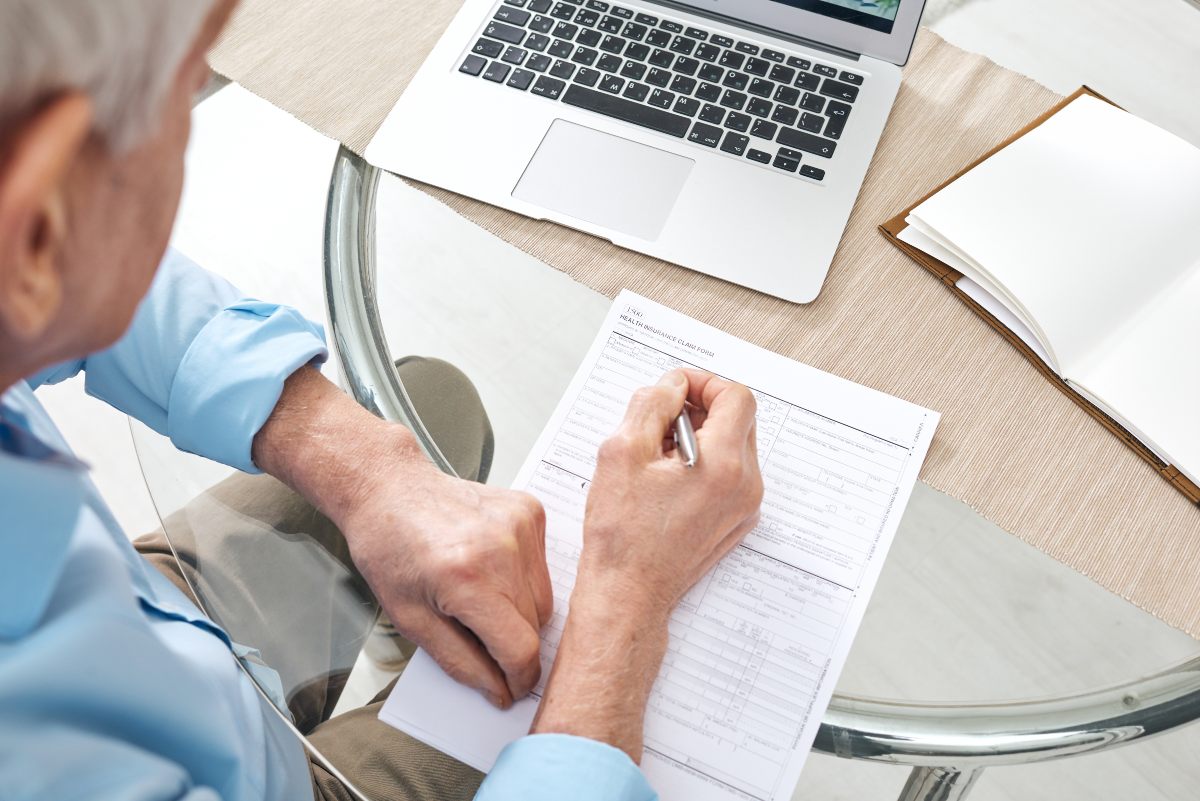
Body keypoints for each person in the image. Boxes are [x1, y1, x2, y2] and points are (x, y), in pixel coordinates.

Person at [0, 1, 765, 800]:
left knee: (435, 403)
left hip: (143, 627)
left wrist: (367, 468)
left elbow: (105, 279)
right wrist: (626, 603)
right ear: (40, 223)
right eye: (178, 96)